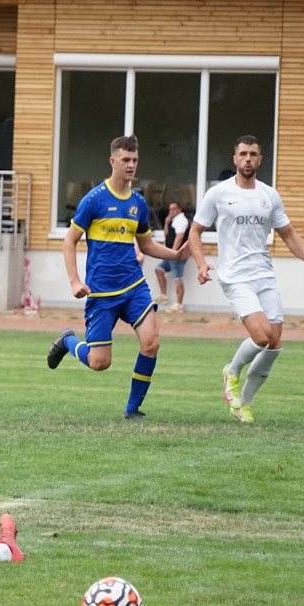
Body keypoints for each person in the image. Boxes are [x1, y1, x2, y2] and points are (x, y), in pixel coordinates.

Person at [187, 135, 304, 424]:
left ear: (260, 159)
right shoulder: (218, 193)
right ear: (235, 158)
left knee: (274, 343)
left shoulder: (269, 195)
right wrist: (201, 263)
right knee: (262, 336)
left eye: (253, 154)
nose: (248, 159)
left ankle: (243, 404)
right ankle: (231, 371)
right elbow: (195, 232)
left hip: (264, 274)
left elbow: (288, 234)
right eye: (243, 154)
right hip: (235, 276)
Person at [46, 135, 188, 421]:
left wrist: (174, 254)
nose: (131, 165)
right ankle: (68, 341)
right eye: (126, 160)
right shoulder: (94, 200)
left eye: (135, 160)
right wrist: (75, 281)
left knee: (151, 342)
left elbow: (146, 245)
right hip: (101, 291)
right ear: (113, 161)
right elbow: (69, 241)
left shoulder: (138, 203)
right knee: (100, 362)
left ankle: (132, 410)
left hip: (134, 286)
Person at [154, 200, 189, 312]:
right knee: (159, 270)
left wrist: (173, 253)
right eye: (170, 209)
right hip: (170, 254)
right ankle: (164, 296)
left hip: (176, 254)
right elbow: (166, 234)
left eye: (174, 209)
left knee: (177, 278)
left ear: (179, 210)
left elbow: (179, 237)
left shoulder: (181, 220)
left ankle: (179, 305)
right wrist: (166, 222)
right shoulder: (173, 221)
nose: (172, 211)